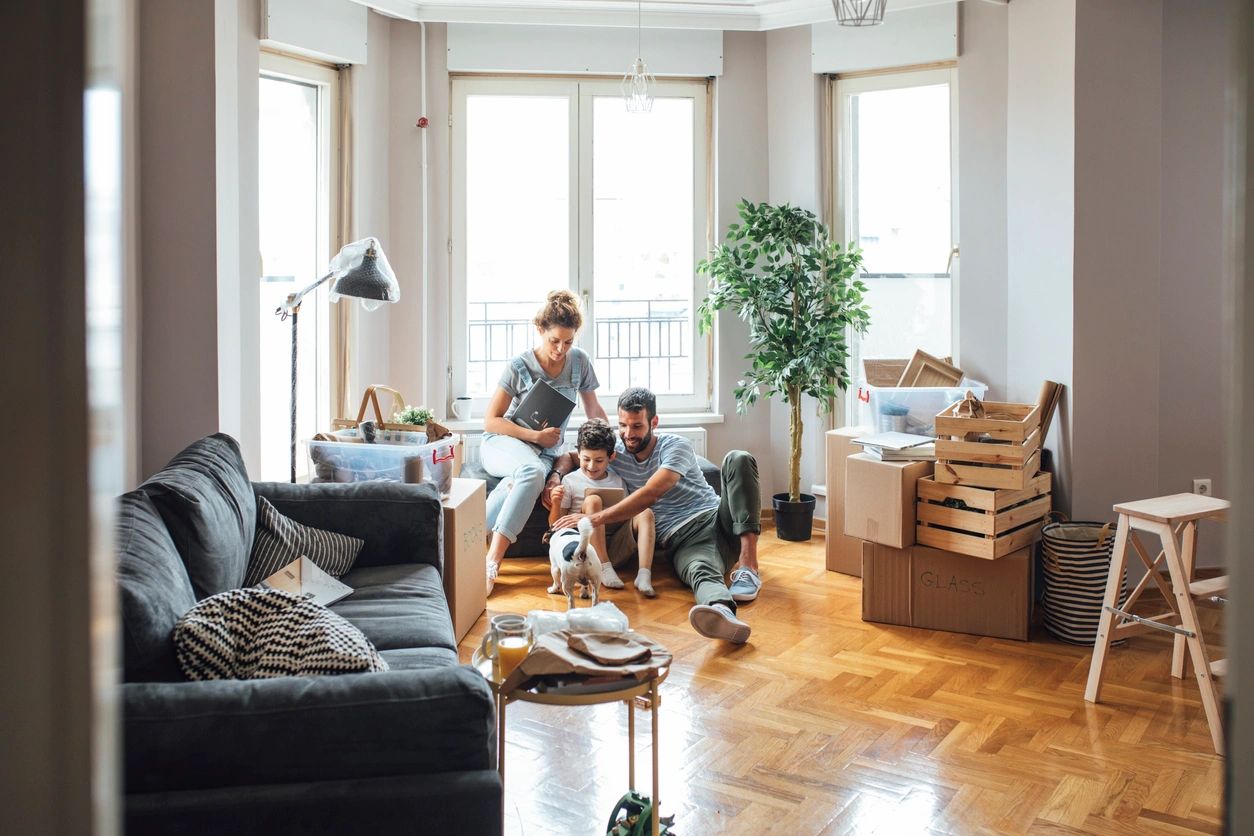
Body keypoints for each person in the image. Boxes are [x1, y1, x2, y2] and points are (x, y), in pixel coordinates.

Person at [552, 387, 762, 643]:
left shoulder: (675, 446)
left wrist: (592, 519)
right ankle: (722, 612)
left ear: (654, 422)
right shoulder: (616, 451)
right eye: (623, 425)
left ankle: (749, 566)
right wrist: (556, 477)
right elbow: (572, 456)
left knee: (738, 458)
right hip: (683, 540)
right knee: (700, 572)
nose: (629, 434)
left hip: (717, 517)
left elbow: (652, 493)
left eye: (637, 426)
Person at [482, 290, 607, 594]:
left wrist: (610, 441)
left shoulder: (579, 363)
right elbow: (491, 420)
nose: (561, 349)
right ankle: (492, 561)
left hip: (543, 454)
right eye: (554, 341)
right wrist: (535, 436)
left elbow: (594, 411)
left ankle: (461, 543)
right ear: (540, 331)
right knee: (532, 472)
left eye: (568, 342)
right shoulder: (519, 365)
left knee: (522, 479)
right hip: (503, 442)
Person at [549, 418, 657, 597]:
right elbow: (555, 526)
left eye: (599, 460)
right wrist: (556, 503)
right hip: (585, 552)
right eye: (586, 459)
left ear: (611, 457)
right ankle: (604, 567)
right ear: (578, 454)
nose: (592, 466)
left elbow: (628, 514)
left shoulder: (618, 480)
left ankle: (644, 574)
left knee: (645, 511)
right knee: (593, 501)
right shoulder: (570, 481)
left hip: (617, 545)